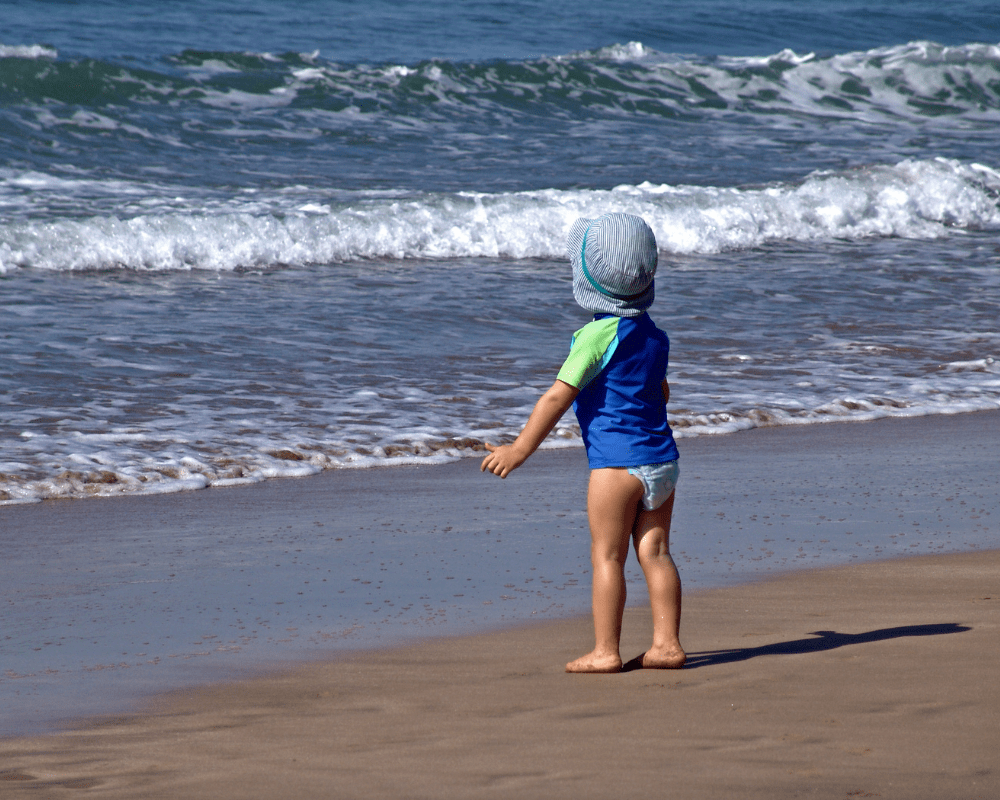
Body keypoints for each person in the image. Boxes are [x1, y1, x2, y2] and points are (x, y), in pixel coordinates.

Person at [481, 212, 684, 674]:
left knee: (607, 555)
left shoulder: (595, 335)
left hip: (616, 466)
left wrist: (519, 449)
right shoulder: (656, 336)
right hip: (662, 461)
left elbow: (558, 395)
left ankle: (605, 651)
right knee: (655, 553)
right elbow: (661, 391)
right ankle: (667, 645)